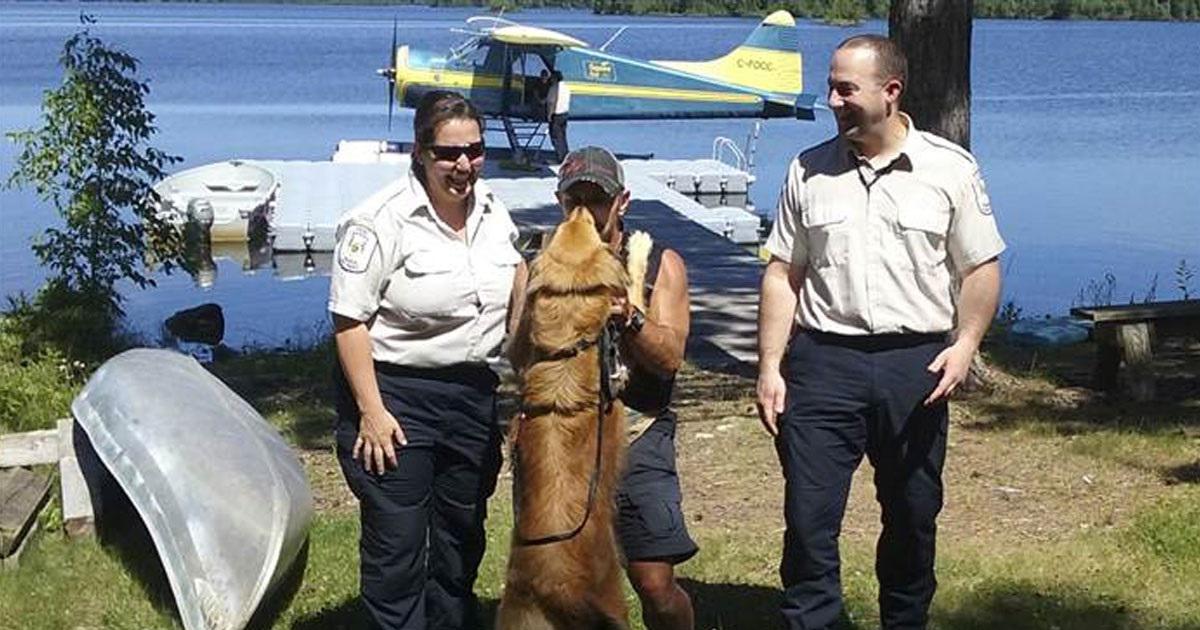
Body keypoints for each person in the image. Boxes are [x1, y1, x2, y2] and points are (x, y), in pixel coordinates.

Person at [756, 35, 1005, 630]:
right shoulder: (808, 170)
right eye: (832, 87)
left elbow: (981, 268)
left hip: (915, 365)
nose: (833, 100)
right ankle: (815, 620)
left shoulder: (950, 169)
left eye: (846, 89)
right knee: (810, 516)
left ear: (890, 92)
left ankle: (904, 618)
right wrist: (769, 365)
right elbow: (782, 273)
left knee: (913, 512)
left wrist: (965, 345)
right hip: (823, 364)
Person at [328, 90, 524, 630]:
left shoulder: (493, 212)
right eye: (448, 153)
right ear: (420, 151)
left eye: (475, 151)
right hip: (396, 397)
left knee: (460, 542)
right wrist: (371, 410)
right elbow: (348, 322)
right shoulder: (380, 220)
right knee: (398, 548)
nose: (464, 165)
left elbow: (514, 293)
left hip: (473, 396)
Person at [510, 146, 697, 630]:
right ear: (559, 200)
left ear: (623, 201)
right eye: (575, 199)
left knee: (655, 585)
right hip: (561, 438)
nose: (585, 211)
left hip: (638, 431)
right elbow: (515, 353)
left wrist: (628, 317)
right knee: (556, 577)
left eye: (597, 199)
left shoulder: (658, 264)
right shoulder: (537, 263)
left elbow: (669, 359)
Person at [546, 70, 571, 162]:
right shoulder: (566, 87)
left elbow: (551, 102)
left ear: (555, 78)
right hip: (564, 114)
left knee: (555, 137)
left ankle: (560, 157)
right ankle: (565, 155)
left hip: (556, 115)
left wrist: (549, 115)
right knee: (563, 136)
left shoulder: (554, 88)